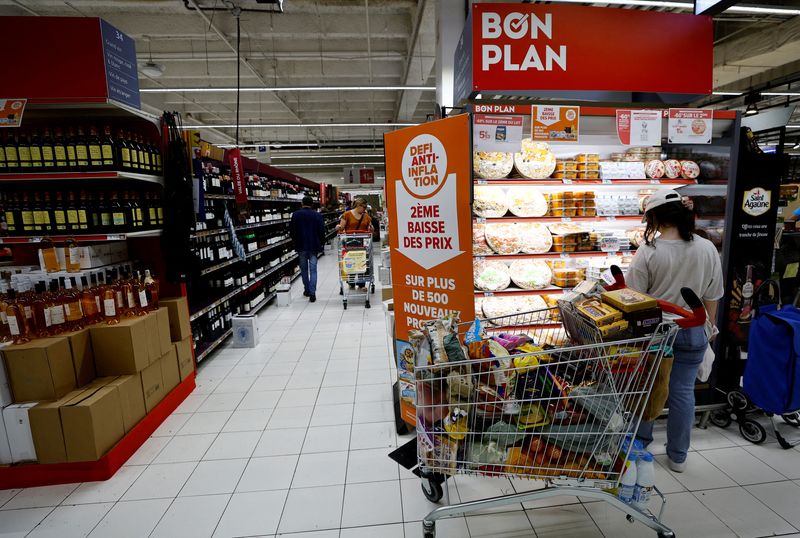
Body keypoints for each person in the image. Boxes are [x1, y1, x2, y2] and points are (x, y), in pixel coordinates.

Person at [627, 190, 724, 473]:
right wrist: (709, 328)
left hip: (658, 333)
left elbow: (634, 297)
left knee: (647, 389)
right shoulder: (706, 248)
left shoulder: (649, 251)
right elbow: (713, 294)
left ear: (655, 217)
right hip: (694, 329)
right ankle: (678, 456)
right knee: (682, 393)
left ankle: (640, 443)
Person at [290, 196, 324, 302]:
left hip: (301, 246)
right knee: (313, 270)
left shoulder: (295, 215)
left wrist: (295, 241)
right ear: (312, 204)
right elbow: (321, 231)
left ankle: (307, 290)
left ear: (302, 203)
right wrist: (321, 243)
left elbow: (292, 231)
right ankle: (313, 293)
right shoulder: (317, 215)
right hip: (313, 246)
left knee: (304, 269)